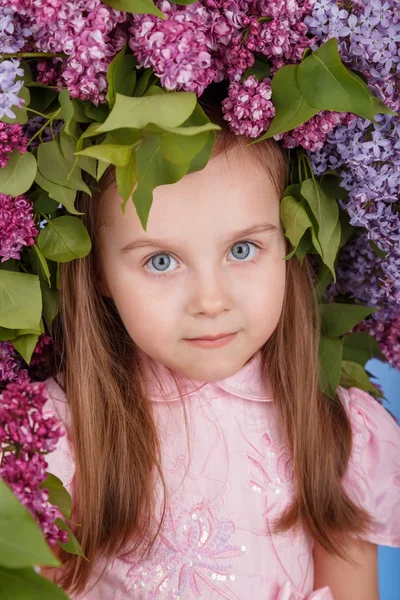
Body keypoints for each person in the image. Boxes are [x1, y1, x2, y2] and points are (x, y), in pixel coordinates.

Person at [40, 96, 400, 600]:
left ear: (288, 247)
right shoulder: (56, 437)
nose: (211, 301)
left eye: (242, 249)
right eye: (161, 261)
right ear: (98, 267)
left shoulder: (335, 432)